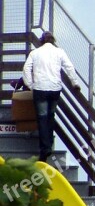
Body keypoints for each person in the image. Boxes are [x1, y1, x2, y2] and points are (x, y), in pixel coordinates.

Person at [21, 31, 81, 161]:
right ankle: (49, 146)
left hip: (40, 89)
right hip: (55, 89)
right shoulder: (59, 52)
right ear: (53, 40)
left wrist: (30, 84)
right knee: (50, 116)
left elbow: (26, 69)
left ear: (42, 41)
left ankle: (45, 149)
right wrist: (75, 83)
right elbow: (69, 67)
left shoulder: (35, 53)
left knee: (42, 118)